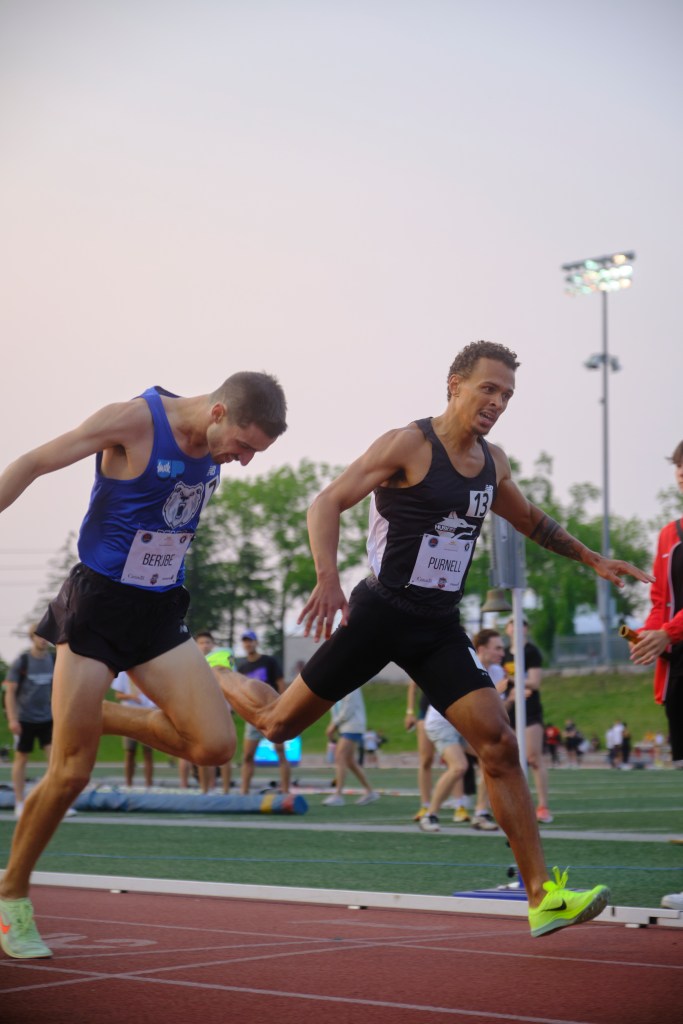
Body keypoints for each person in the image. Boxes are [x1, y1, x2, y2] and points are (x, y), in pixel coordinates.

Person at [219, 340, 652, 938]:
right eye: (488, 389)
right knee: (276, 725)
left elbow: (531, 521)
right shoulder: (408, 444)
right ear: (455, 384)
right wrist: (327, 580)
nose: (497, 403)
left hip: (437, 626)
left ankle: (541, 897)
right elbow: (327, 503)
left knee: (498, 744)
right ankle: (213, 670)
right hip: (377, 615)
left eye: (506, 395)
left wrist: (591, 558)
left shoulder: (494, 461)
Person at [0, 372, 287, 960]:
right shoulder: (132, 422)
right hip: (98, 608)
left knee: (214, 746)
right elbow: (33, 461)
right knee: (71, 773)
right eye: (244, 446)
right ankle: (11, 895)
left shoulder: (214, 442)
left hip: (160, 613)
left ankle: (97, 714)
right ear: (218, 413)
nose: (245, 462)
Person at [627, 440, 683, 912]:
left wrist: (667, 632)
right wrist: (647, 635)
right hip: (678, 669)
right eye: (679, 468)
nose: (682, 474)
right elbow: (661, 603)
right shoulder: (669, 534)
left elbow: (671, 621)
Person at [502, 618, 553, 823]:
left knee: (533, 757)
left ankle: (543, 806)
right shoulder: (503, 653)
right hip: (508, 709)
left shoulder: (531, 652)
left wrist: (512, 681)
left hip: (530, 710)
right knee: (510, 760)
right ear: (507, 629)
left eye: (522, 624)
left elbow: (535, 682)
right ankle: (514, 805)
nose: (517, 627)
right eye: (513, 623)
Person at [2, 626, 56, 819]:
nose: (43, 640)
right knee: (21, 759)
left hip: (47, 718)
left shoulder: (53, 659)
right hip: (24, 719)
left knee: (55, 761)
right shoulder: (22, 661)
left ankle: (53, 803)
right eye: (39, 636)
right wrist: (13, 719)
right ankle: (19, 801)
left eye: (46, 636)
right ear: (31, 638)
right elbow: (9, 692)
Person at [237, 631, 290, 796]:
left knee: (280, 752)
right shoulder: (242, 667)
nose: (248, 644)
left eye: (250, 641)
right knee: (247, 756)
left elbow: (281, 685)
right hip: (253, 715)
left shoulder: (269, 661)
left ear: (256, 642)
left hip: (272, 711)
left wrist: (284, 708)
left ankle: (286, 790)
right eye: (245, 642)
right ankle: (244, 792)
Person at [323, 688, 379, 806]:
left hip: (352, 726)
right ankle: (370, 792)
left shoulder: (351, 685)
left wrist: (334, 724)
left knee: (340, 757)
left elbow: (348, 708)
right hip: (345, 727)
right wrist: (334, 724)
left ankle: (338, 794)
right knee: (349, 761)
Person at [418, 704, 468, 832]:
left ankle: (481, 813)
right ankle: (430, 814)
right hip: (443, 723)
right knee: (458, 766)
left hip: (465, 721)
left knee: (493, 759)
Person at [111, 672, 156, 788]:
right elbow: (118, 695)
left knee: (148, 751)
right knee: (130, 751)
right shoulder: (124, 673)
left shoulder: (148, 670)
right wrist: (131, 697)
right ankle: (128, 784)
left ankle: (149, 784)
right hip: (129, 715)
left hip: (146, 714)